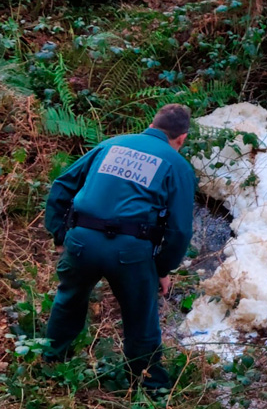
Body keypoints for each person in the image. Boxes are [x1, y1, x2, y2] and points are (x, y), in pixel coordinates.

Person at [43, 104, 196, 391]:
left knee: (68, 301)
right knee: (141, 319)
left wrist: (61, 235)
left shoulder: (110, 145)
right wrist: (162, 268)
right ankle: (151, 387)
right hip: (130, 252)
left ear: (152, 123)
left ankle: (51, 363)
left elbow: (62, 185)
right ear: (181, 138)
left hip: (81, 241)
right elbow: (179, 230)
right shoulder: (177, 165)